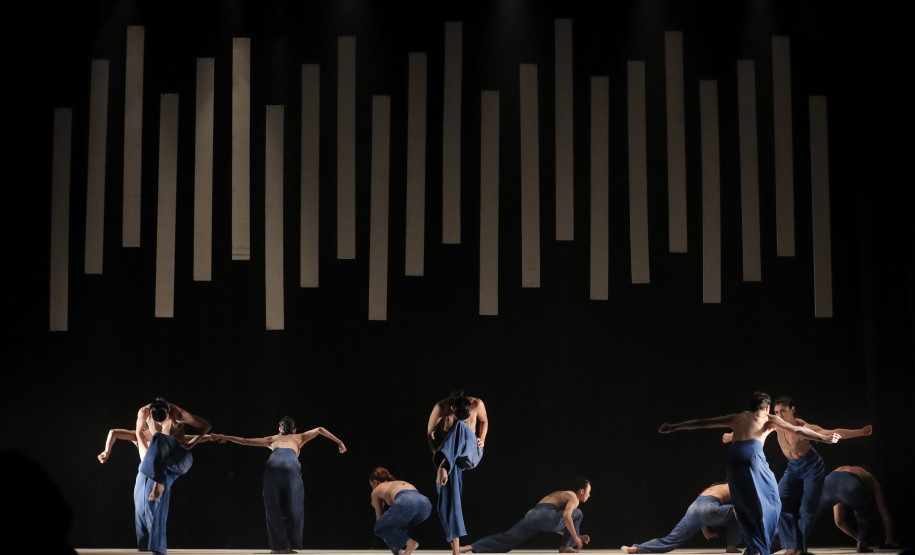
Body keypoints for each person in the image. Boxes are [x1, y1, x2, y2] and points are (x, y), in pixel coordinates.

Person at [657, 391, 839, 555]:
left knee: (744, 505)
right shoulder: (768, 418)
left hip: (734, 460)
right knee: (774, 501)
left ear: (750, 406)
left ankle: (755, 547)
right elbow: (798, 429)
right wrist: (825, 438)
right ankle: (761, 548)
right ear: (767, 407)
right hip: (753, 457)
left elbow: (703, 423)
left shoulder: (737, 417)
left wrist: (674, 427)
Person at [211, 416, 346, 554]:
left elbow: (246, 441)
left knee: (272, 506)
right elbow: (320, 429)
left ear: (279, 429)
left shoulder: (273, 439)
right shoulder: (299, 437)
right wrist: (339, 442)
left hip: (273, 465)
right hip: (291, 466)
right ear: (294, 430)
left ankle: (279, 547)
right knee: (296, 507)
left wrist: (224, 436)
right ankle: (287, 546)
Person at [768, 396, 872, 555]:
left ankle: (797, 549)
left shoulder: (805, 427)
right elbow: (754, 428)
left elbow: (832, 432)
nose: (780, 415)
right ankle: (792, 546)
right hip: (793, 468)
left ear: (792, 410)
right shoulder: (776, 426)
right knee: (780, 501)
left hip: (812, 466)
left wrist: (860, 432)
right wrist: (732, 436)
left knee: (807, 509)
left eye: (783, 411)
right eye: (777, 412)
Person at [134, 398, 212, 555]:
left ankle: (159, 482)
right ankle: (156, 548)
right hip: (161, 467)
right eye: (157, 422)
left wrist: (192, 444)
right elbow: (138, 433)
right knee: (150, 501)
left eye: (163, 420)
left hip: (179, 459)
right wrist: (147, 457)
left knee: (158, 437)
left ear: (168, 412)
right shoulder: (143, 412)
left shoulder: (178, 413)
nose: (160, 425)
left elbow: (206, 426)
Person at [461, 478, 592, 553]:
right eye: (588, 492)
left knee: (508, 539)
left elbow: (554, 524)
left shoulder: (562, 494)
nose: (589, 495)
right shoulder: (574, 498)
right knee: (578, 514)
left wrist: (576, 535)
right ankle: (565, 547)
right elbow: (566, 516)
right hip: (545, 514)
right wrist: (575, 537)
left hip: (533, 514)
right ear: (581, 491)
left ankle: (469, 547)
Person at [621, 482, 740, 553]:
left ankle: (635, 549)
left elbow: (701, 512)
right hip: (708, 507)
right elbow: (736, 509)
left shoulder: (714, 487)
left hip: (693, 508)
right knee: (741, 510)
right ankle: (731, 545)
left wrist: (706, 533)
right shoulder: (735, 486)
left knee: (670, 539)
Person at [433, 394, 485, 555]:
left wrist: (482, 438)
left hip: (471, 453)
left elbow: (484, 421)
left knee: (461, 427)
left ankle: (444, 464)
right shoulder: (441, 408)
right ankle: (456, 550)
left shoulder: (477, 404)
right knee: (448, 500)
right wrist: (438, 455)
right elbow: (430, 434)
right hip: (453, 458)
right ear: (451, 408)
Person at [816, 466, 899, 553]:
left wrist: (859, 538)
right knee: (868, 508)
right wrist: (889, 539)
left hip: (828, 480)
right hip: (848, 483)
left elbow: (839, 521)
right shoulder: (872, 481)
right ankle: (862, 544)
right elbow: (884, 514)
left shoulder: (843, 471)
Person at [369, 467, 432, 555]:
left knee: (379, 528)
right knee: (397, 528)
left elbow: (380, 520)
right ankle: (404, 552)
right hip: (425, 505)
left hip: (406, 501)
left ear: (375, 482)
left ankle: (410, 543)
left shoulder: (376, 491)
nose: (372, 487)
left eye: (371, 485)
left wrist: (376, 505)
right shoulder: (398, 482)